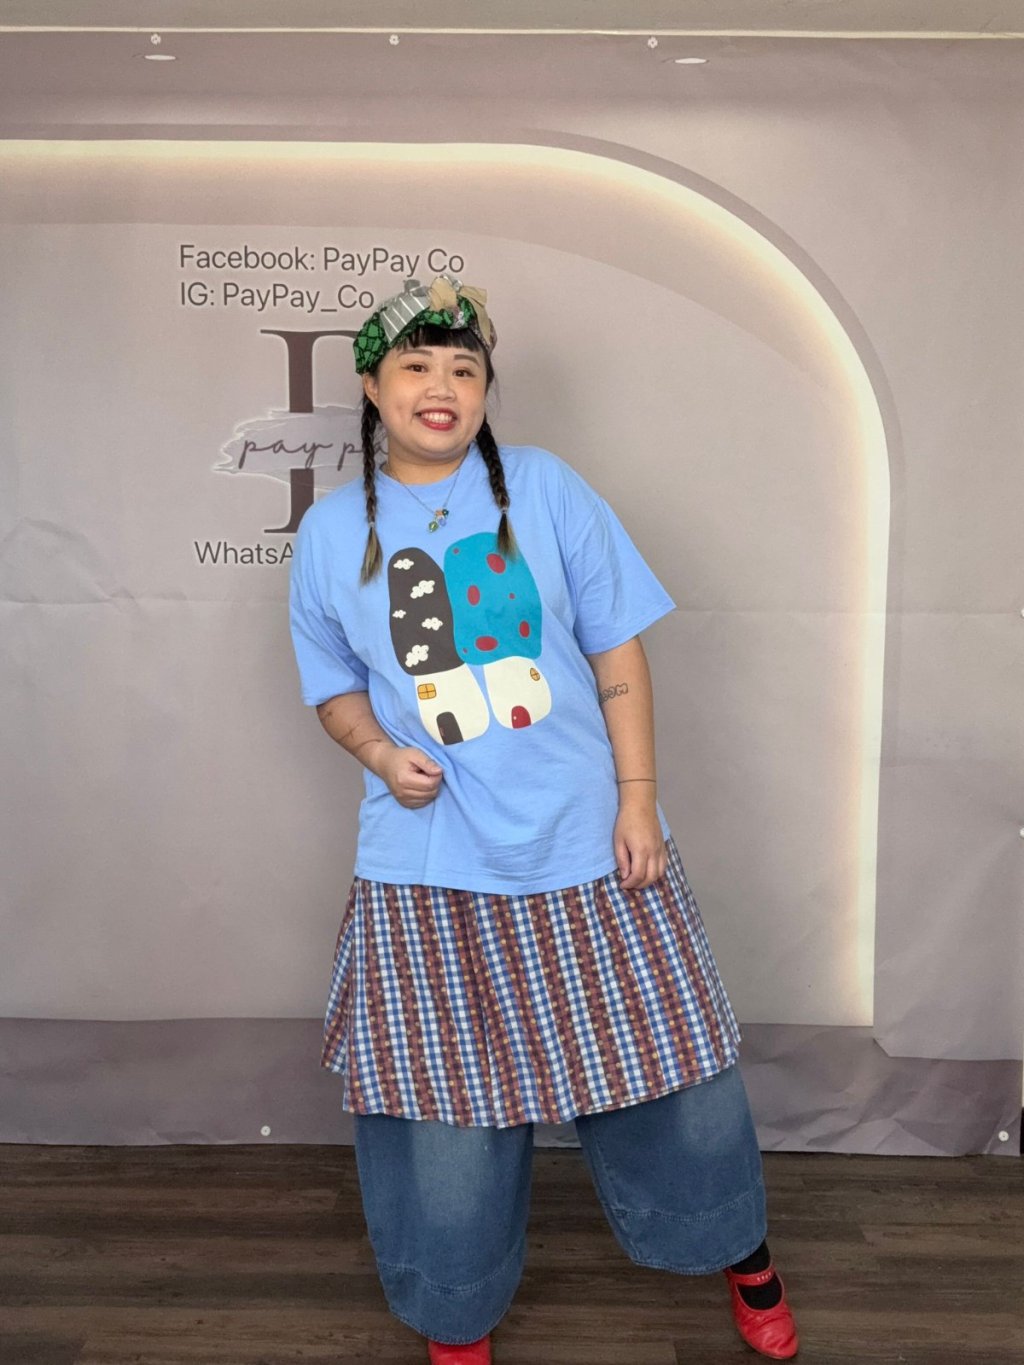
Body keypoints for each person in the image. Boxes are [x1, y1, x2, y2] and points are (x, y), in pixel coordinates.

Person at [288, 275, 799, 1364]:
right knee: (442, 1111)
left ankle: (739, 1253)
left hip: (586, 841)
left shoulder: (547, 488)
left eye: (464, 368)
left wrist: (638, 798)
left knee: (674, 1075)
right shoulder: (330, 535)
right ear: (372, 386)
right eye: (416, 366)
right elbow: (332, 690)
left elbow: (617, 647)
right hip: (428, 865)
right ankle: (456, 1312)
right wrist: (377, 753)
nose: (441, 387)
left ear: (484, 389)